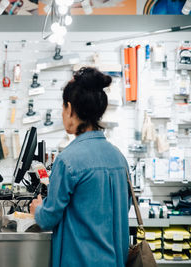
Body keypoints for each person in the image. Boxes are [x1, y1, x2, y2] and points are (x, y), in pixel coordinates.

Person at [30, 67, 130, 267]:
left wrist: (37, 209)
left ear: (70, 108)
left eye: (63, 108)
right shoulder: (119, 159)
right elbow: (122, 208)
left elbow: (49, 218)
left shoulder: (68, 161)